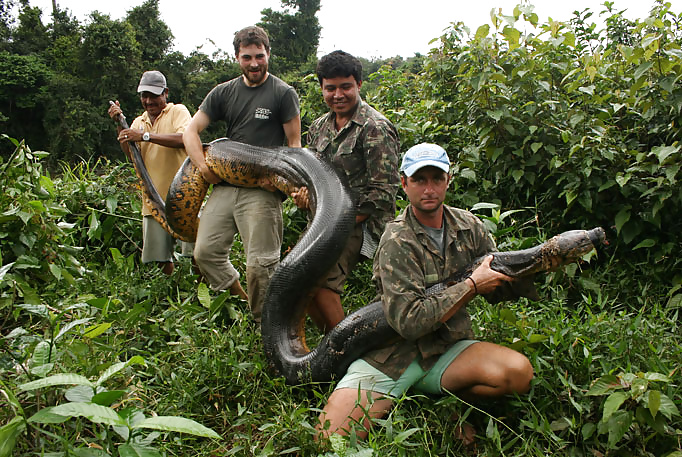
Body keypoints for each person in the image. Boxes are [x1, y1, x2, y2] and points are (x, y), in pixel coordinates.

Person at [316, 143, 535, 439]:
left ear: (448, 181)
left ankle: (444, 399)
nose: (428, 188)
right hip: (393, 355)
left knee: (518, 373)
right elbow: (408, 322)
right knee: (329, 438)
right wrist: (471, 286)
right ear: (404, 184)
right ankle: (403, 392)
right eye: (419, 179)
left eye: (436, 178)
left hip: (447, 346)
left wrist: (534, 268)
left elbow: (498, 290)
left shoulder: (469, 226)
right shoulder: (396, 240)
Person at [182, 25, 301, 321]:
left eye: (259, 56)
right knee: (205, 253)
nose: (254, 63)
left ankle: (267, 324)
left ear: (268, 54)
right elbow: (191, 131)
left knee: (260, 264)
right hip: (225, 184)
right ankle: (245, 300)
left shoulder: (283, 93)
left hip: (263, 189)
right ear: (237, 57)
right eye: (247, 57)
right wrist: (203, 168)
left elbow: (295, 146)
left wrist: (281, 186)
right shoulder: (223, 92)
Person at [292, 50, 400, 333]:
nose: (338, 95)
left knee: (322, 281)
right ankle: (331, 340)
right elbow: (311, 176)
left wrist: (338, 224)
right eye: (330, 88)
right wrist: (303, 197)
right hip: (325, 221)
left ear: (359, 85)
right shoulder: (318, 127)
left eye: (345, 87)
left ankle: (347, 349)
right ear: (322, 89)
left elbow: (383, 192)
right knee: (298, 277)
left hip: (362, 222)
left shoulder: (375, 127)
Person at [108, 70, 194, 276]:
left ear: (165, 93)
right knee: (160, 259)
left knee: (197, 255)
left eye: (154, 96)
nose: (148, 101)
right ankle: (169, 298)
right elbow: (132, 156)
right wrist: (120, 127)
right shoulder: (138, 122)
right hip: (152, 202)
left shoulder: (178, 112)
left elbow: (184, 138)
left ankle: (198, 297)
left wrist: (144, 136)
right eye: (144, 96)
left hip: (184, 198)